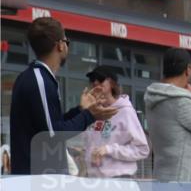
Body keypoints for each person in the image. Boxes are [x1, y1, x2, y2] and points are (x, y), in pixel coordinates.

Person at [10, 17, 117, 175]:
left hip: (39, 178)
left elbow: (52, 125)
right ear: (60, 45)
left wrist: (81, 109)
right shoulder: (39, 80)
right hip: (38, 180)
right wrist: (90, 115)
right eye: (67, 41)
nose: (67, 45)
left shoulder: (39, 77)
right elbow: (53, 134)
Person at [145, 48, 191, 182]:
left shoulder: (153, 97)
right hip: (183, 181)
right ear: (188, 69)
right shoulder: (182, 102)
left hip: (161, 175)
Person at [79, 66, 149, 179]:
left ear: (111, 83)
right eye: (92, 80)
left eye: (100, 78)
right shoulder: (93, 112)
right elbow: (89, 144)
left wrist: (109, 149)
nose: (96, 82)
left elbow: (142, 149)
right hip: (95, 180)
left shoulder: (125, 111)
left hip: (119, 178)